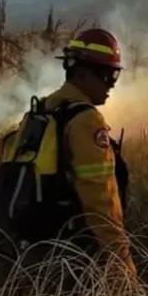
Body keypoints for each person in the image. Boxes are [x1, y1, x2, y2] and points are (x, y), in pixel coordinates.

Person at [42, 27, 137, 280]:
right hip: (76, 255)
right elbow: (100, 202)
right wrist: (124, 269)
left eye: (115, 75)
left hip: (39, 247)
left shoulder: (45, 107)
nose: (112, 85)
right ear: (83, 74)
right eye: (108, 75)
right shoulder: (86, 120)